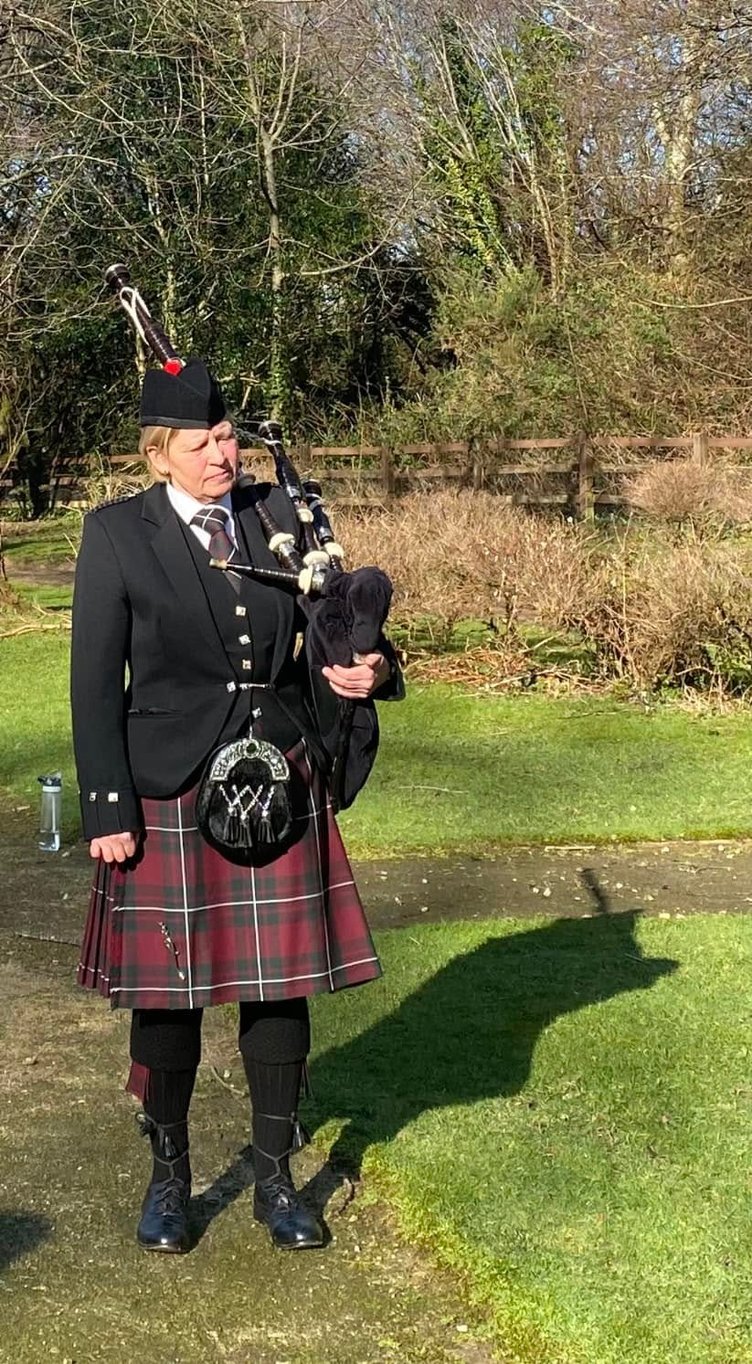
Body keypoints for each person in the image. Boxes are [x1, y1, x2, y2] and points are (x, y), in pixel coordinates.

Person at [71, 357, 401, 1254]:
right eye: (202, 442)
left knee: (280, 990)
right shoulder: (117, 535)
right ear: (158, 455)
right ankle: (170, 1180)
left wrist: (372, 666)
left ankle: (276, 1181)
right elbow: (94, 683)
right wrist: (108, 805)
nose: (224, 453)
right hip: (170, 789)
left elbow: (339, 627)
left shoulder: (279, 516)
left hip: (279, 779)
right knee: (169, 1004)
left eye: (228, 436)